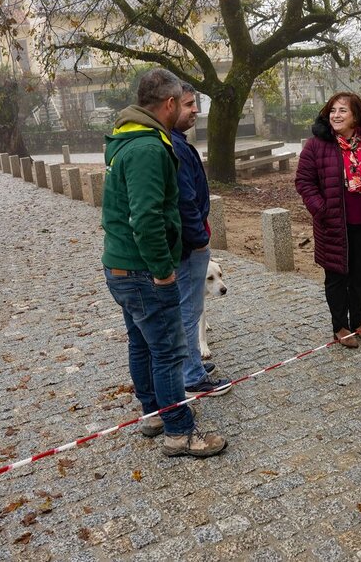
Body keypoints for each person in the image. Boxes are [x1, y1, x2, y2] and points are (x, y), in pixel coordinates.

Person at [101, 68, 226, 458]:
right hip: (141, 270)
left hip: (123, 266)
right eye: (183, 103)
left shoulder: (129, 137)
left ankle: (153, 413)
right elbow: (147, 217)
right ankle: (179, 431)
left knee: (142, 344)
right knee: (169, 351)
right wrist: (163, 270)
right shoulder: (148, 148)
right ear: (169, 103)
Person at [295, 92, 361, 348]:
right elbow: (303, 182)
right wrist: (321, 209)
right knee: (337, 276)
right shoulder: (317, 145)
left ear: (356, 116)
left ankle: (359, 321)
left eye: (342, 110)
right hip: (333, 223)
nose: (336, 115)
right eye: (332, 111)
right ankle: (340, 327)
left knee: (360, 274)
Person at [171, 82, 232, 397]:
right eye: (188, 104)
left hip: (189, 243)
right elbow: (185, 200)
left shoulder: (176, 142)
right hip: (189, 245)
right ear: (169, 105)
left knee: (190, 309)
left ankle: (191, 362)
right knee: (188, 309)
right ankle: (192, 375)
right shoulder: (174, 145)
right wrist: (200, 240)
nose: (196, 109)